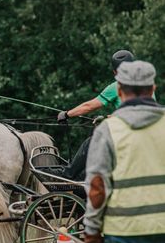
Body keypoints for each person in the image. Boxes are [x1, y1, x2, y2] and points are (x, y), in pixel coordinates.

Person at [83, 60, 165, 243]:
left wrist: (91, 231)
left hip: (122, 232)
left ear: (119, 91)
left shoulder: (107, 130)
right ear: (153, 88)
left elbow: (97, 187)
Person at [56, 50, 135, 180]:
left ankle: (68, 174)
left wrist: (67, 114)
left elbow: (89, 106)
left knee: (91, 142)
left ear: (115, 72)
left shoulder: (117, 86)